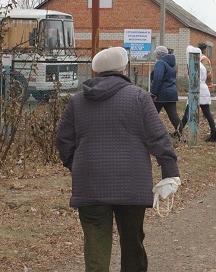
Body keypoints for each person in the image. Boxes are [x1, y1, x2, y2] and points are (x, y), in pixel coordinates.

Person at [56, 47, 180, 272]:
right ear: (123, 69)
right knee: (132, 243)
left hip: (90, 183)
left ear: (96, 72)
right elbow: (158, 137)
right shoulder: (138, 97)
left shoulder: (78, 101)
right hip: (131, 183)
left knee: (95, 246)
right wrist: (170, 170)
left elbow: (64, 141)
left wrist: (77, 165)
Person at [181, 45, 216, 142]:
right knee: (207, 113)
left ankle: (178, 131)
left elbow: (194, 80)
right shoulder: (201, 65)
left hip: (197, 91)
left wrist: (187, 77)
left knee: (187, 113)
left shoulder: (195, 65)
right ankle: (214, 133)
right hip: (203, 90)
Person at [150, 45, 183, 138]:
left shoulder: (161, 63)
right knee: (173, 116)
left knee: (151, 115)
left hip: (161, 94)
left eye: (156, 54)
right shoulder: (172, 63)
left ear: (159, 54)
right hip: (171, 93)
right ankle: (181, 135)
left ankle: (149, 135)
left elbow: (157, 78)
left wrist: (153, 93)